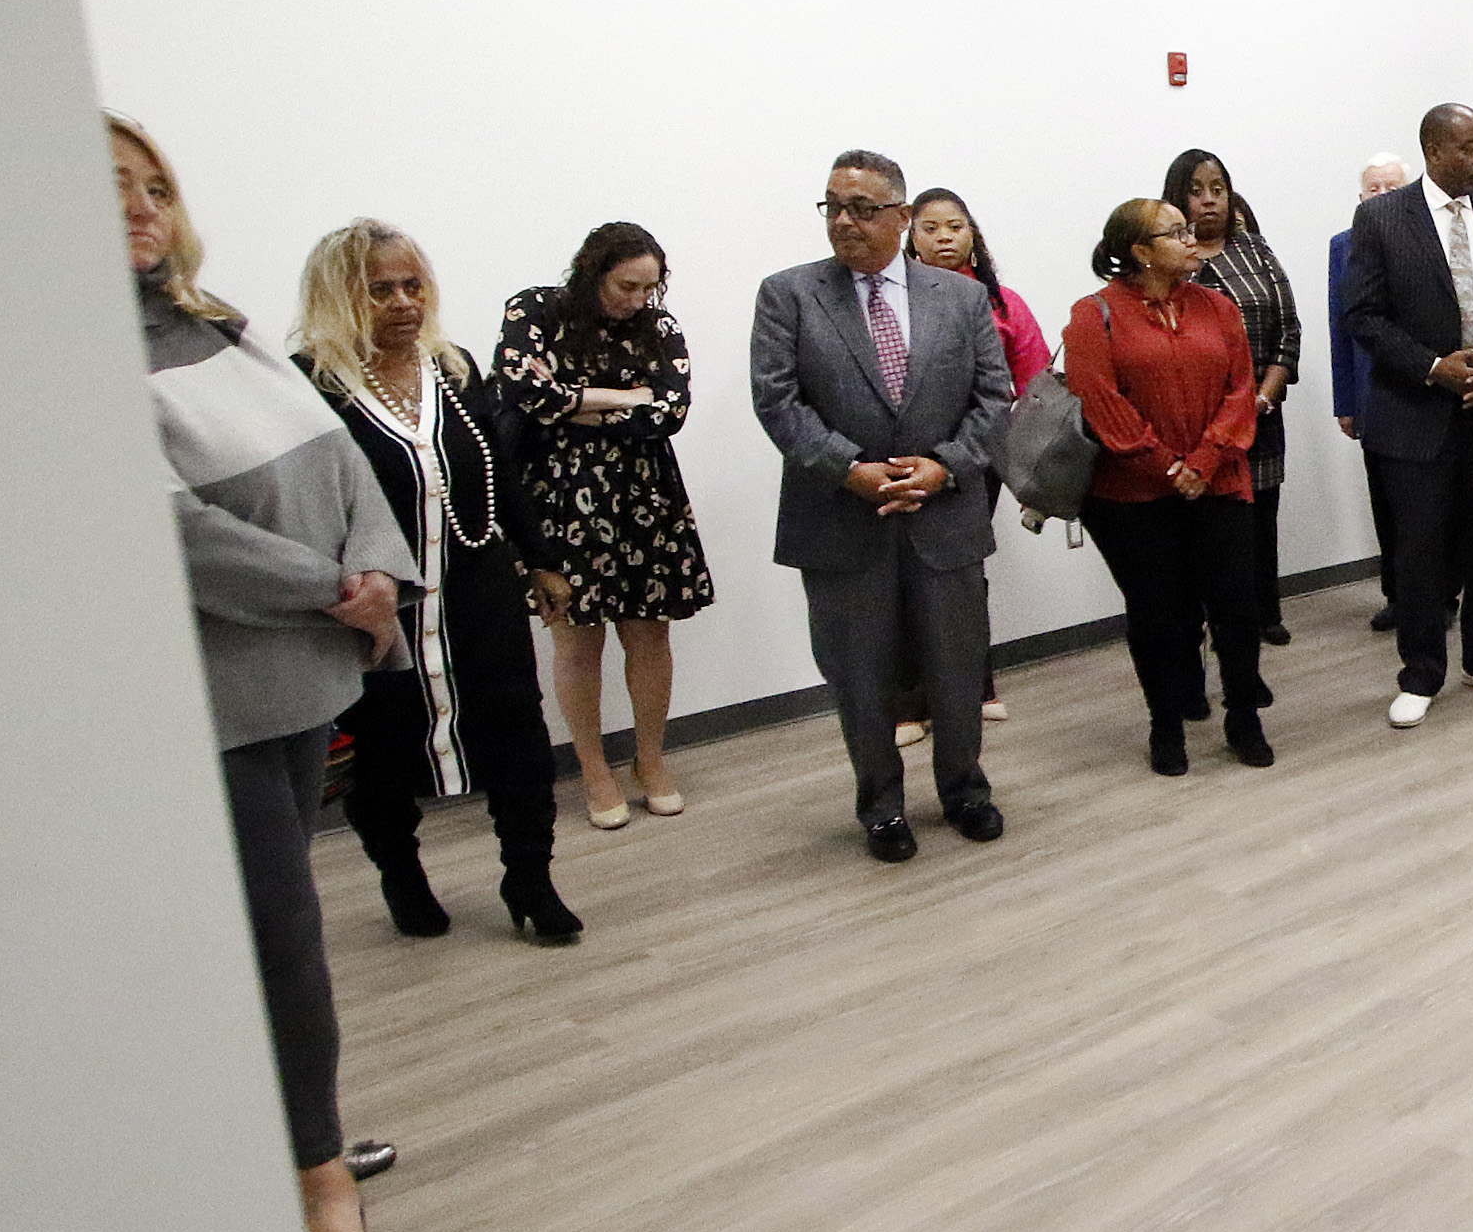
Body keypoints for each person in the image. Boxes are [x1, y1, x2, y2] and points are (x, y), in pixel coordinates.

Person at [110, 112, 415, 1232]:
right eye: (105, 187)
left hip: (303, 675)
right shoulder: (74, 357)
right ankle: (312, 1177)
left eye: (152, 185)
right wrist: (332, 587)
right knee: (281, 943)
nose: (138, 204)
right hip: (222, 692)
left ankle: (305, 1128)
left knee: (282, 930)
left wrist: (378, 567)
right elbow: (168, 530)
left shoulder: (214, 329)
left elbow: (342, 460)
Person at [296, 220, 579, 946]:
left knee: (516, 734)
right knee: (382, 754)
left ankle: (530, 877)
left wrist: (542, 556)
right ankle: (402, 873)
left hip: (477, 589)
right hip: (377, 610)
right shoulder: (311, 386)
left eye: (412, 284)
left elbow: (501, 470)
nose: (402, 301)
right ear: (339, 296)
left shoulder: (452, 369)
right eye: (380, 288)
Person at [749, 149, 1014, 862]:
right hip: (841, 518)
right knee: (858, 675)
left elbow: (995, 397)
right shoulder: (789, 294)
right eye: (833, 206)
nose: (845, 221)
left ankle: (965, 790)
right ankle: (882, 807)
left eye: (863, 208)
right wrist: (850, 470)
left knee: (957, 667)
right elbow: (777, 401)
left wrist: (944, 467)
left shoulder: (958, 298)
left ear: (900, 216)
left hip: (944, 512)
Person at [496, 222, 713, 828]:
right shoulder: (535, 308)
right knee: (577, 638)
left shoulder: (659, 326)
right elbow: (520, 389)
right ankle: (593, 768)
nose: (640, 300)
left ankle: (651, 760)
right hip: (561, 495)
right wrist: (618, 397)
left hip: (645, 491)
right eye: (627, 286)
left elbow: (670, 410)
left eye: (650, 288)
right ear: (594, 273)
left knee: (650, 631)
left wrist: (581, 407)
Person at [1339, 103, 1473, 730]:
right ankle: (1421, 672)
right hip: (1417, 412)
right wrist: (1435, 367)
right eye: (1470, 147)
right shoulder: (1381, 218)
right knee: (1420, 549)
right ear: (1433, 151)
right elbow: (1364, 316)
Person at [1063, 199, 1271, 775]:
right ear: (1139, 250)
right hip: (1132, 496)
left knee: (1236, 606)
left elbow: (1241, 388)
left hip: (1220, 481)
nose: (1191, 239)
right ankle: (1166, 726)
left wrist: (1203, 461)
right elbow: (1100, 401)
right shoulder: (1093, 315)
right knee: (1158, 615)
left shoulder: (1219, 307)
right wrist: (1165, 466)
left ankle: (1243, 716)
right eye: (1175, 233)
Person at [908, 186, 1051, 723]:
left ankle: (977, 686)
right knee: (903, 574)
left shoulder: (1002, 303)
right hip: (903, 454)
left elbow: (1034, 383)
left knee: (964, 570)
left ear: (973, 235)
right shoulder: (894, 301)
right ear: (911, 236)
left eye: (955, 226)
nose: (944, 237)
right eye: (930, 227)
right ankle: (908, 704)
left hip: (978, 455)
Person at [1166, 149, 1302, 647]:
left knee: (1261, 520)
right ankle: (1203, 621)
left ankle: (1265, 612)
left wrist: (1261, 401)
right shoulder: (1166, 262)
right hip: (1191, 429)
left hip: (1260, 415)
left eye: (1218, 189)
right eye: (1197, 191)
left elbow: (1289, 331)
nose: (1209, 201)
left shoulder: (1256, 252)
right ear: (1177, 198)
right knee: (1201, 531)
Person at [1331, 152, 1411, 633]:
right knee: (1384, 503)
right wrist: (1345, 402)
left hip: (1423, 392)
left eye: (1390, 188)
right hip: (1369, 394)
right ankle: (1396, 596)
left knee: (1424, 508)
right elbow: (1340, 327)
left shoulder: (1425, 244)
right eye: (1372, 190)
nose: (1381, 197)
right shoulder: (1343, 246)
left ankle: (1438, 595)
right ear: (1360, 199)